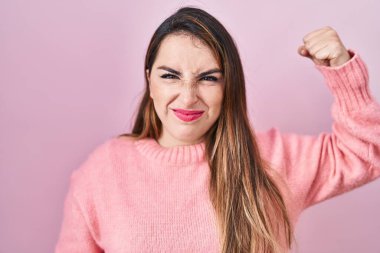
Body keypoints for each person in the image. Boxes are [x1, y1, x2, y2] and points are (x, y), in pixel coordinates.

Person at [54, 6, 380, 253]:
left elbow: (368, 153)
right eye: (170, 76)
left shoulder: (274, 160)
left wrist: (341, 72)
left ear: (229, 87)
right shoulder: (101, 172)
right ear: (149, 79)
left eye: (209, 78)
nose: (188, 95)